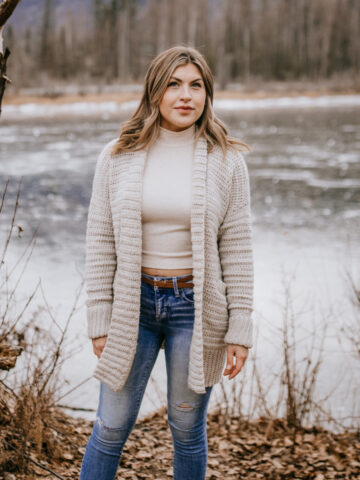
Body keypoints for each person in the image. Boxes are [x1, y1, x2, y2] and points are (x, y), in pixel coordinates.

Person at [79, 45, 254, 480]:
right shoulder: (117, 155)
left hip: (195, 311)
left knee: (187, 428)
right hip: (130, 307)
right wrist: (99, 318)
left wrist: (241, 327)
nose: (185, 95)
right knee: (110, 425)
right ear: (155, 91)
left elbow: (237, 248)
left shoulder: (227, 160)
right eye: (174, 84)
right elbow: (100, 240)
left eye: (196, 85)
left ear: (207, 95)